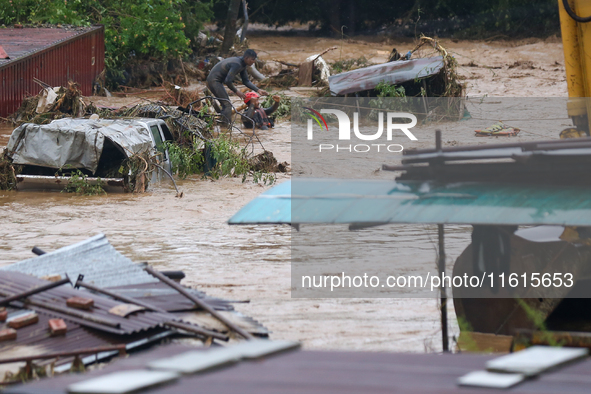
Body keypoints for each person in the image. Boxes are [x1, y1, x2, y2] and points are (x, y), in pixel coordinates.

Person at [206, 49, 268, 126]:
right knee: (227, 104)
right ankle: (225, 128)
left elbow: (246, 81)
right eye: (252, 59)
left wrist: (258, 90)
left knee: (225, 103)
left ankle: (222, 124)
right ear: (246, 58)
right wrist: (237, 91)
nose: (254, 62)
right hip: (214, 81)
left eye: (254, 59)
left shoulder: (243, 64)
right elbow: (228, 81)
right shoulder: (237, 64)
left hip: (217, 81)